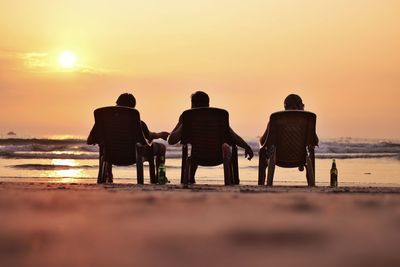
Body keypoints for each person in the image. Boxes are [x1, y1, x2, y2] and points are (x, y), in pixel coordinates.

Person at [168, 91, 254, 182]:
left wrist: (182, 122)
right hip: (218, 157)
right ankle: (233, 180)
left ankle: (191, 178)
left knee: (194, 149)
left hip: (196, 156)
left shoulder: (189, 118)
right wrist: (246, 147)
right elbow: (234, 137)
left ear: (192, 105)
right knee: (228, 148)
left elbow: (171, 140)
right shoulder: (218, 117)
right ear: (208, 104)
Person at [87, 93, 169, 183]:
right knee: (161, 147)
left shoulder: (103, 123)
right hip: (133, 156)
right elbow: (148, 137)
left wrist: (101, 139)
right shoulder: (139, 123)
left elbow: (90, 140)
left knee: (104, 145)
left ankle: (107, 175)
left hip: (110, 156)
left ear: (117, 104)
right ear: (133, 108)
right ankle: (161, 177)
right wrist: (160, 135)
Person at [259, 93, 318, 171]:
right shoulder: (306, 121)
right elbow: (315, 141)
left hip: (278, 158)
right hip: (301, 158)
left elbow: (263, 141)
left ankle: (263, 182)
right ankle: (308, 176)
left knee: (263, 151)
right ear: (300, 106)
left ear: (285, 107)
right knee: (309, 149)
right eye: (302, 105)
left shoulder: (276, 120)